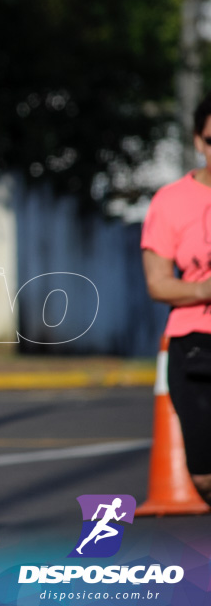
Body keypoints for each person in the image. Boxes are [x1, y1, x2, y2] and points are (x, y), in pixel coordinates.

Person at [141, 93, 211, 506]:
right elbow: (158, 283)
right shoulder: (170, 201)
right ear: (199, 142)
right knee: (203, 476)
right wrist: (203, 289)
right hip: (195, 344)